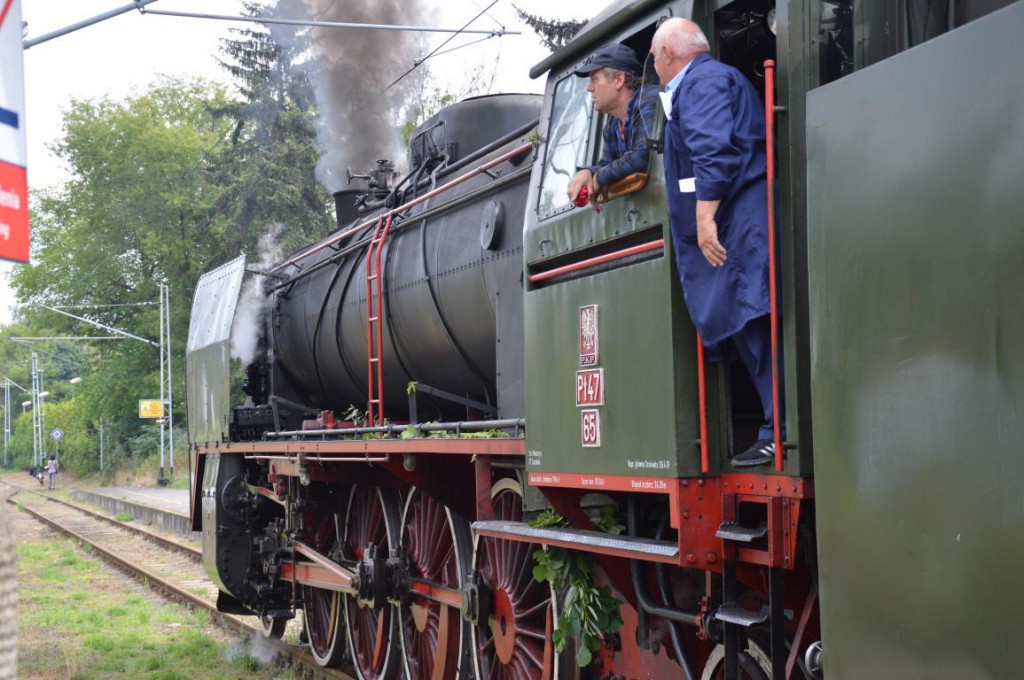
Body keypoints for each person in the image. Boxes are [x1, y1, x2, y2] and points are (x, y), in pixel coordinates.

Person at [651, 18, 782, 467]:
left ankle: (776, 430)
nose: (654, 67)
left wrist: (704, 217)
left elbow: (714, 151)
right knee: (747, 323)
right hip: (736, 218)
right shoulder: (705, 82)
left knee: (753, 320)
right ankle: (772, 426)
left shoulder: (702, 83)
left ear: (669, 53)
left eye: (653, 58)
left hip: (736, 221)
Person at [566, 43, 660, 211]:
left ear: (618, 80)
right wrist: (589, 172)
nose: (589, 88)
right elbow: (609, 162)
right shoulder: (613, 121)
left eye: (595, 79)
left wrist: (600, 177)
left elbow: (643, 155)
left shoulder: (649, 100)